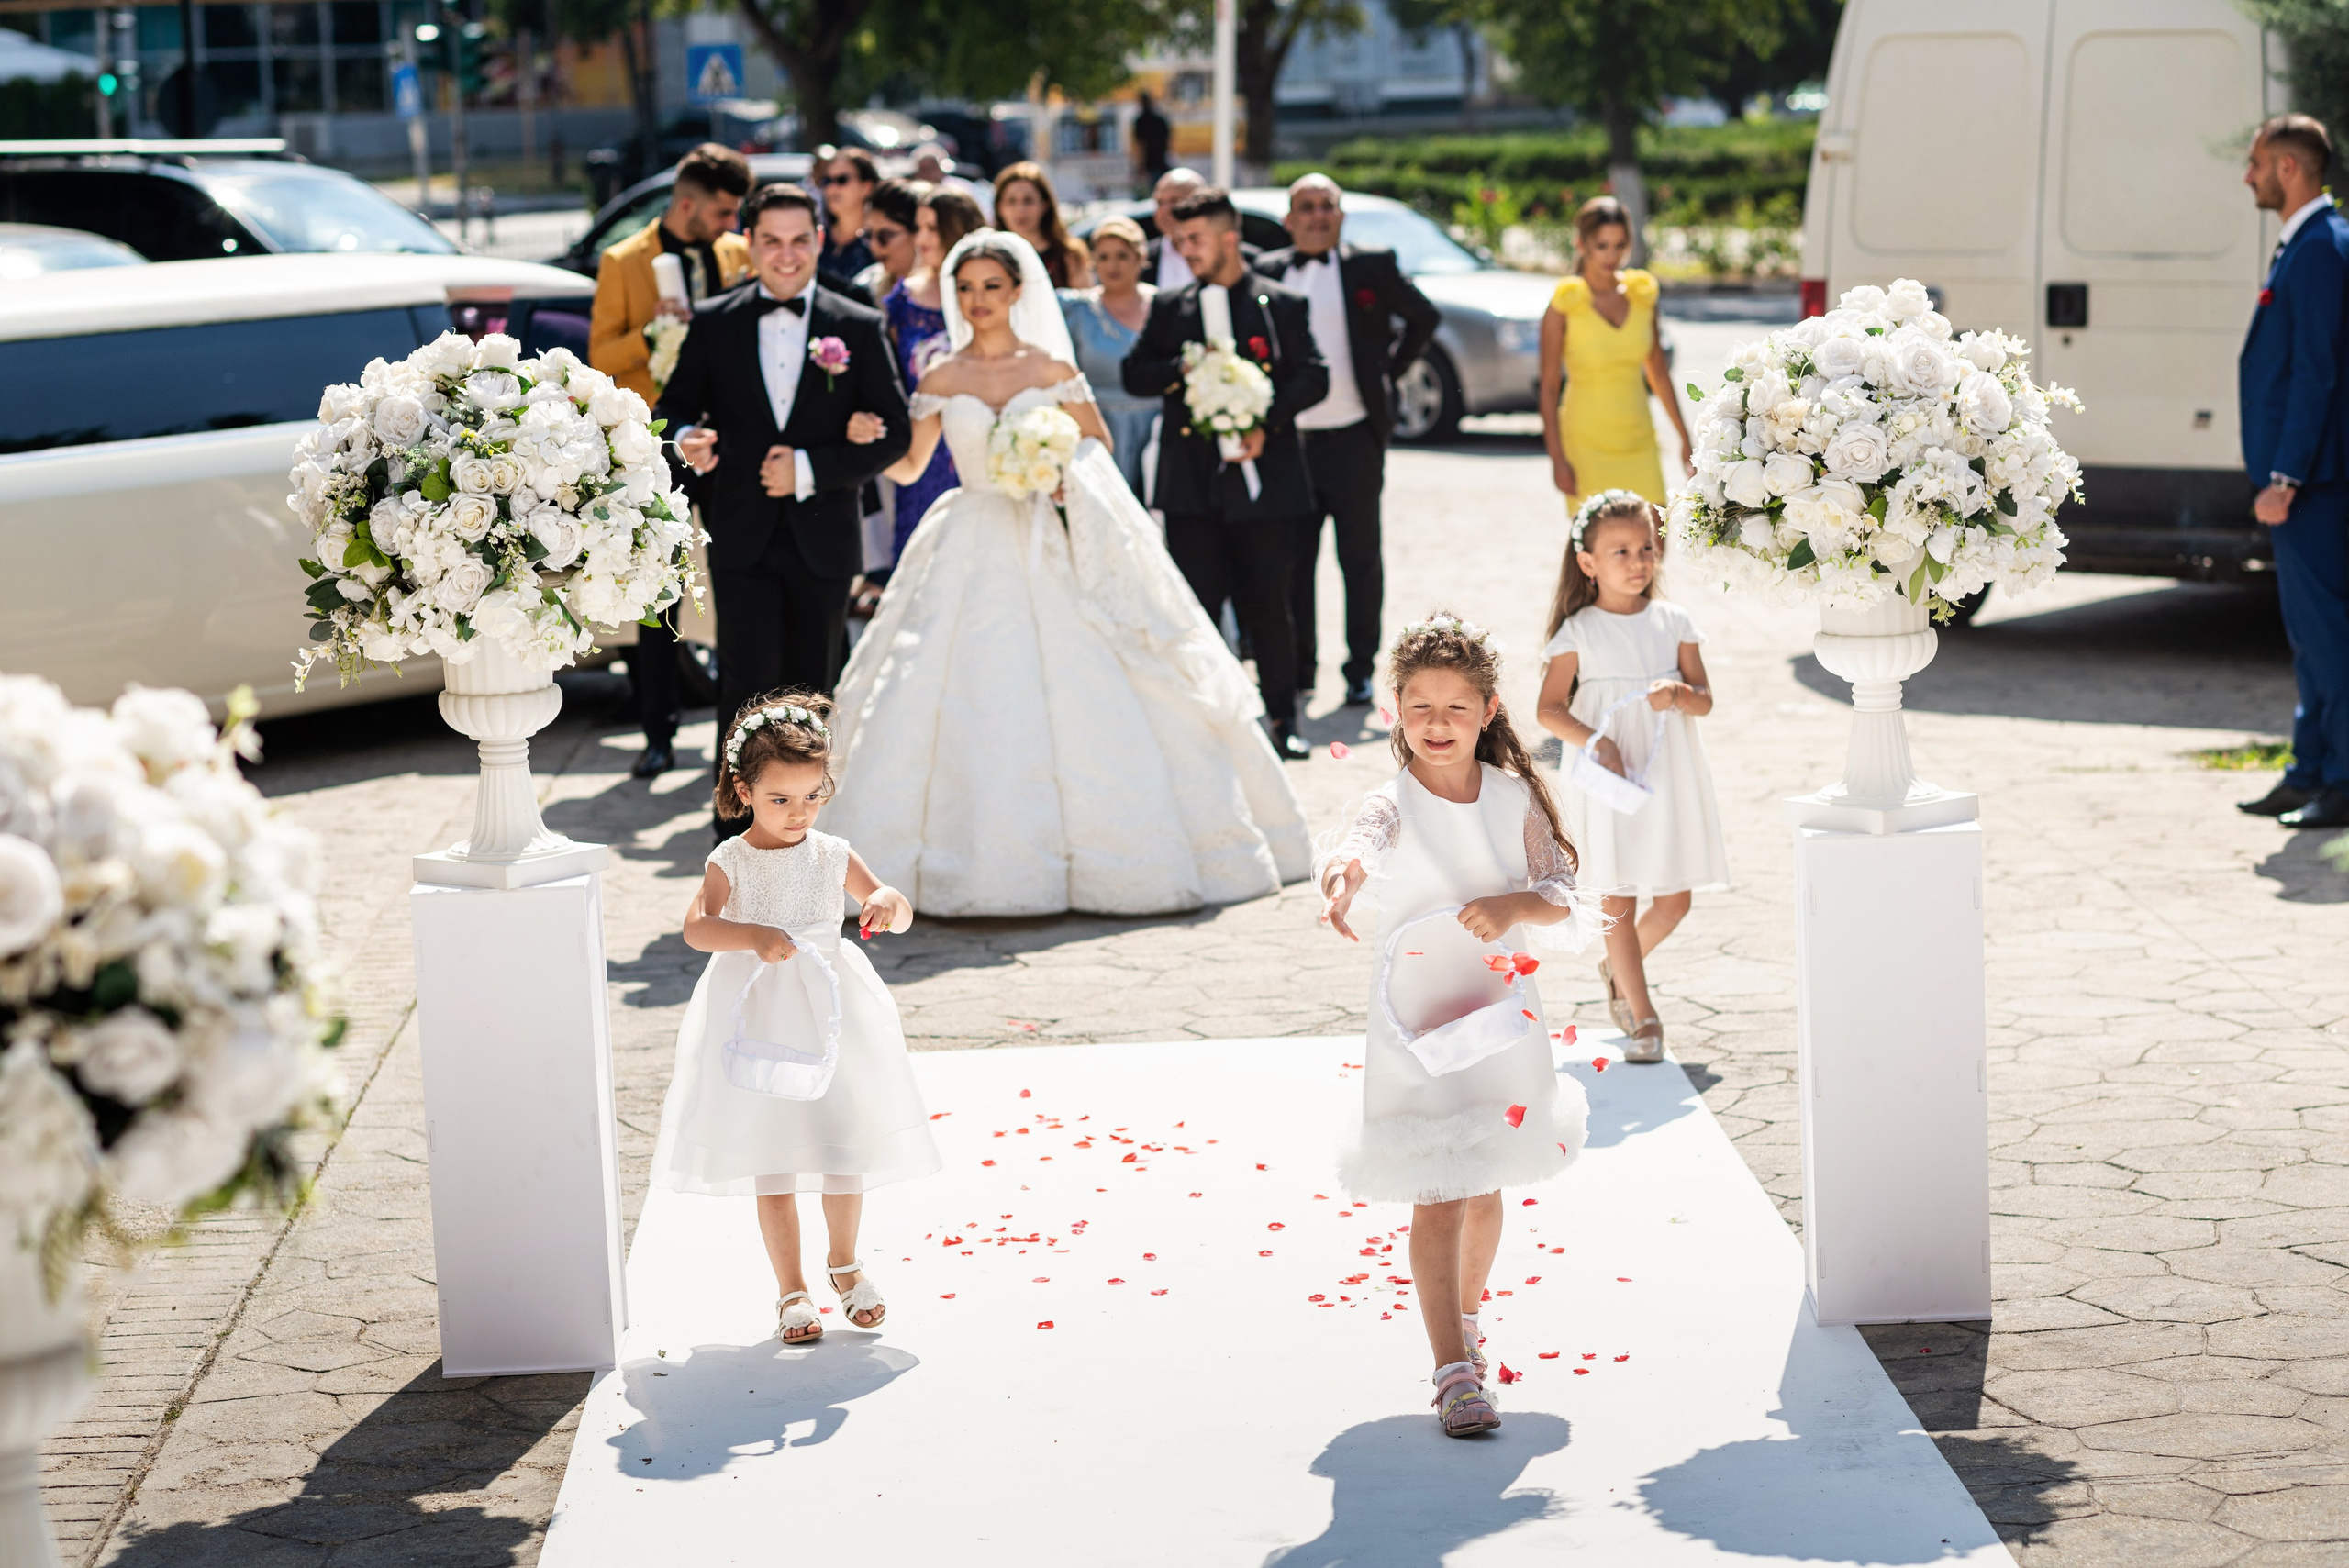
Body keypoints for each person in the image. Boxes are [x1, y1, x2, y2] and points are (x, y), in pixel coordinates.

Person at [825, 230, 1312, 917]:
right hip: (968, 533)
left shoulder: (1050, 367)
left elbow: (1096, 447)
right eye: (966, 289)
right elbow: (911, 466)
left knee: (1085, 676)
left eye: (992, 287)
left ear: (1018, 291)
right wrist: (870, 442)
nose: (978, 300)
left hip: (1045, 537)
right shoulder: (940, 376)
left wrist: (1057, 475)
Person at [1316, 614, 1597, 1437]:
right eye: (1420, 708)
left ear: (1488, 710)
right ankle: (1449, 1367)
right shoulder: (1389, 801)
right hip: (1418, 1014)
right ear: (1395, 709)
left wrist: (1514, 904)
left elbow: (1562, 893)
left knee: (1482, 1177)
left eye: (1455, 708)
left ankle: (1468, 1330)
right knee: (1437, 1187)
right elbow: (1358, 848)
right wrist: (1341, 876)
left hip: (1497, 1012)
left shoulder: (1512, 799)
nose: (1437, 725)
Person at [652, 693, 940, 1344]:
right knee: (772, 1156)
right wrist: (750, 934)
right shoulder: (730, 859)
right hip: (759, 1014)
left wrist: (891, 902)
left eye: (812, 796)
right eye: (780, 799)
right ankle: (792, 1288)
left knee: (843, 1146)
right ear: (744, 789)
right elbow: (698, 928)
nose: (798, 812)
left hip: (832, 1014)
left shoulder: (833, 852)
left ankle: (845, 1263)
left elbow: (888, 900)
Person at [653, 183, 912, 831]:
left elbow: (896, 428)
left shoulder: (856, 322)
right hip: (740, 531)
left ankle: (807, 831)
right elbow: (673, 410)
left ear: (820, 240)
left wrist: (809, 467)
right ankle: (736, 832)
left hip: (823, 534)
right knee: (744, 686)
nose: (787, 254)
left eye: (801, 240)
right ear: (749, 244)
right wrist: (686, 440)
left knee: (811, 692)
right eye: (771, 240)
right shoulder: (717, 320)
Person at [1124, 186, 1328, 760]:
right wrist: (1182, 364)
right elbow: (1135, 373)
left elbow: (1314, 375)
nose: (1185, 249)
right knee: (1197, 610)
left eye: (1196, 239)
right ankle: (1205, 722)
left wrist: (1267, 420)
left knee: (1269, 605)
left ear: (1229, 238)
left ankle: (1283, 719)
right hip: (1192, 486)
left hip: (1266, 485)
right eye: (1179, 240)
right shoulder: (1172, 306)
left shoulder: (1278, 303)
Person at [1532, 491, 1725, 1064]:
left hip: (1667, 768)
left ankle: (1617, 968)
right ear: (1588, 563)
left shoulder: (1675, 622)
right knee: (1617, 891)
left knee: (1673, 900)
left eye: (1646, 548)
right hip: (1607, 772)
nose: (1638, 561)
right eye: (1620, 551)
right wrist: (1598, 740)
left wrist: (1681, 695)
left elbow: (1705, 700)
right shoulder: (1578, 631)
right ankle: (1643, 1016)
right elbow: (1549, 709)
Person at [589, 143, 752, 779]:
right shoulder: (624, 260)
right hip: (657, 444)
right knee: (657, 591)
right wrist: (652, 331)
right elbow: (601, 354)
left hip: (729, 439)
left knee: (739, 579)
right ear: (687, 204)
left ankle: (741, 739)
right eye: (722, 211)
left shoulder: (738, 255)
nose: (729, 225)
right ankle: (656, 732)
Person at [1255, 172, 1442, 707]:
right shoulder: (1266, 273)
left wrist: (1386, 370)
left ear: (1340, 216)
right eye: (1306, 207)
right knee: (1294, 563)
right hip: (1290, 442)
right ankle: (1300, 669)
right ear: (1289, 220)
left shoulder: (1370, 266)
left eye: (1326, 206)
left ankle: (1360, 669)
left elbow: (1423, 315)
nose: (1317, 216)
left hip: (1356, 436)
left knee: (1359, 559)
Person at [2238, 112, 2349, 829]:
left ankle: (2341, 781)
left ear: (2288, 167)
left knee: (2330, 636)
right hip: (2307, 482)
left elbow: (2317, 373)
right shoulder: (2305, 244)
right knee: (2310, 637)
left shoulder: (2319, 248)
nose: (2246, 175)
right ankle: (2308, 768)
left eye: (2255, 162)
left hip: (2313, 484)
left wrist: (2284, 477)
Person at [1537, 196, 1692, 514]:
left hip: (1639, 437)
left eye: (1620, 245)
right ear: (1581, 244)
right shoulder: (1564, 304)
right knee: (1600, 552)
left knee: (1653, 543)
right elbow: (1549, 387)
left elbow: (1659, 375)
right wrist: (1557, 458)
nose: (1612, 255)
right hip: (1585, 443)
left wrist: (1684, 438)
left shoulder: (1641, 296)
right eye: (1602, 245)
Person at [881, 185, 987, 562]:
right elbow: (888, 379)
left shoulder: (987, 297)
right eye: (918, 227)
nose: (921, 238)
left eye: (932, 228)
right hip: (920, 449)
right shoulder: (903, 300)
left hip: (979, 446)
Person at [1058, 214, 1159, 498]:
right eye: (1103, 257)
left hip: (1157, 432)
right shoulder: (1075, 310)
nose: (1112, 265)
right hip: (1098, 430)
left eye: (1122, 256)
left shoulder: (1164, 305)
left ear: (1140, 258)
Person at [992, 161, 1091, 287]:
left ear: (1045, 205)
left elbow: (1082, 303)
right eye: (1011, 201)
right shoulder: (990, 256)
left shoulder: (1069, 255)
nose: (1020, 209)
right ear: (1000, 207)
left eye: (1028, 201)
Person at [852, 176, 922, 306]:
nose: (873, 245)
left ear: (917, 232)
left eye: (885, 236)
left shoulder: (945, 292)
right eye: (868, 235)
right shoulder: (865, 286)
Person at [814, 146, 878, 285]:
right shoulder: (816, 238)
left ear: (866, 187)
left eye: (842, 180)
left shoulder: (878, 242)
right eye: (826, 181)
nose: (832, 188)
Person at [913, 142, 991, 218]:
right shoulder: (916, 194)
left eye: (931, 168)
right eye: (923, 170)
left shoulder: (961, 188)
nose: (927, 174)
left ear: (940, 168)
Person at [1131, 89, 1172, 190]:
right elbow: (1168, 141)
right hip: (1162, 162)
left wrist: (1140, 166)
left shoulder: (1141, 120)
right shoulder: (1161, 118)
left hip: (1150, 164)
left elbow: (1141, 145)